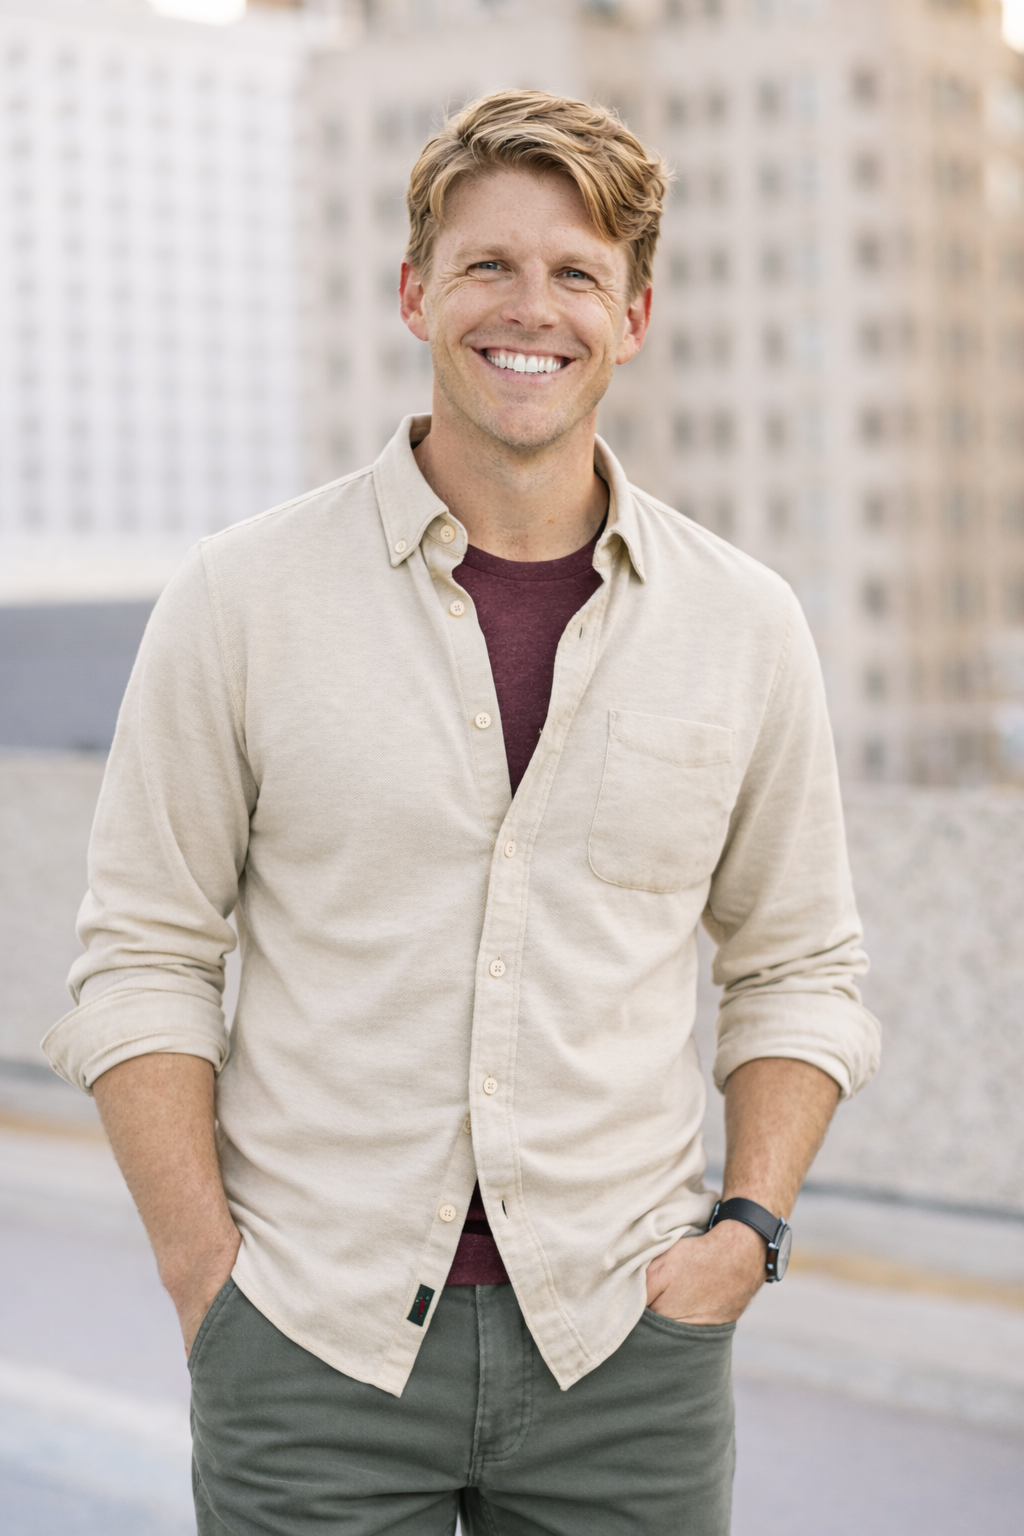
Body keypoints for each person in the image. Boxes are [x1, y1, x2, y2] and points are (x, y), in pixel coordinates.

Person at [45, 90, 880, 1535]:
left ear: (635, 318)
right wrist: (207, 1279)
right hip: (310, 1345)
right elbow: (142, 956)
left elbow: (800, 965)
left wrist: (745, 1233)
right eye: (488, 264)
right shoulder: (241, 600)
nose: (529, 309)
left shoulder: (745, 624)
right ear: (417, 290)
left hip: (630, 1349)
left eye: (576, 275)